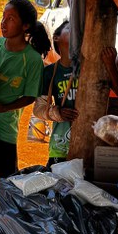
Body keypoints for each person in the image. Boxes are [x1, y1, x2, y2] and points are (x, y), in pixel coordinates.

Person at [0, 0, 50, 189]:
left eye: (11, 18)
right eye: (3, 17)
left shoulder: (32, 59)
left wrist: (3, 108)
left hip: (5, 129)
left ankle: (5, 219)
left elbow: (30, 96)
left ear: (25, 25)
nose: (3, 22)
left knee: (7, 182)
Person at [33, 23, 77, 166]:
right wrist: (57, 113)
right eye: (70, 28)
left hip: (87, 142)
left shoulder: (90, 69)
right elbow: (38, 109)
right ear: (56, 38)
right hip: (60, 145)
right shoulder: (49, 73)